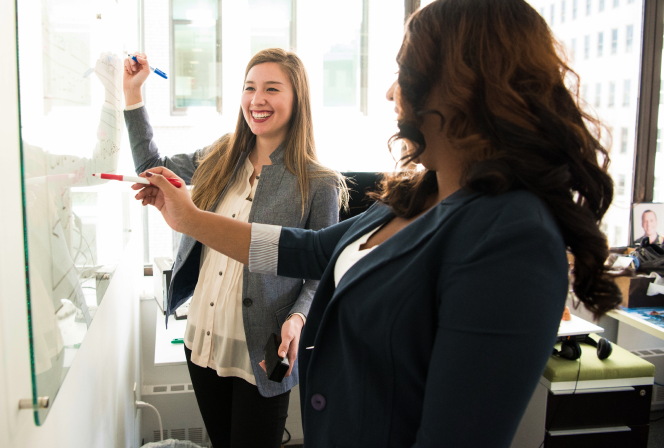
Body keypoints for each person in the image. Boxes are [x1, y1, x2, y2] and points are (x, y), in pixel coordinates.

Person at [131, 0, 623, 446]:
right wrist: (190, 219)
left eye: (404, 72)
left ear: (462, 85)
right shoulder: (415, 195)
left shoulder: (512, 236)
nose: (391, 91)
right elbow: (309, 250)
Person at [123, 48, 345, 448]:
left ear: (298, 100)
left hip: (265, 349)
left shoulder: (319, 183)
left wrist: (297, 317)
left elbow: (321, 271)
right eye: (249, 88)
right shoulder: (219, 156)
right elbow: (151, 166)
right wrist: (133, 95)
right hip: (203, 339)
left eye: (271, 89)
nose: (257, 100)